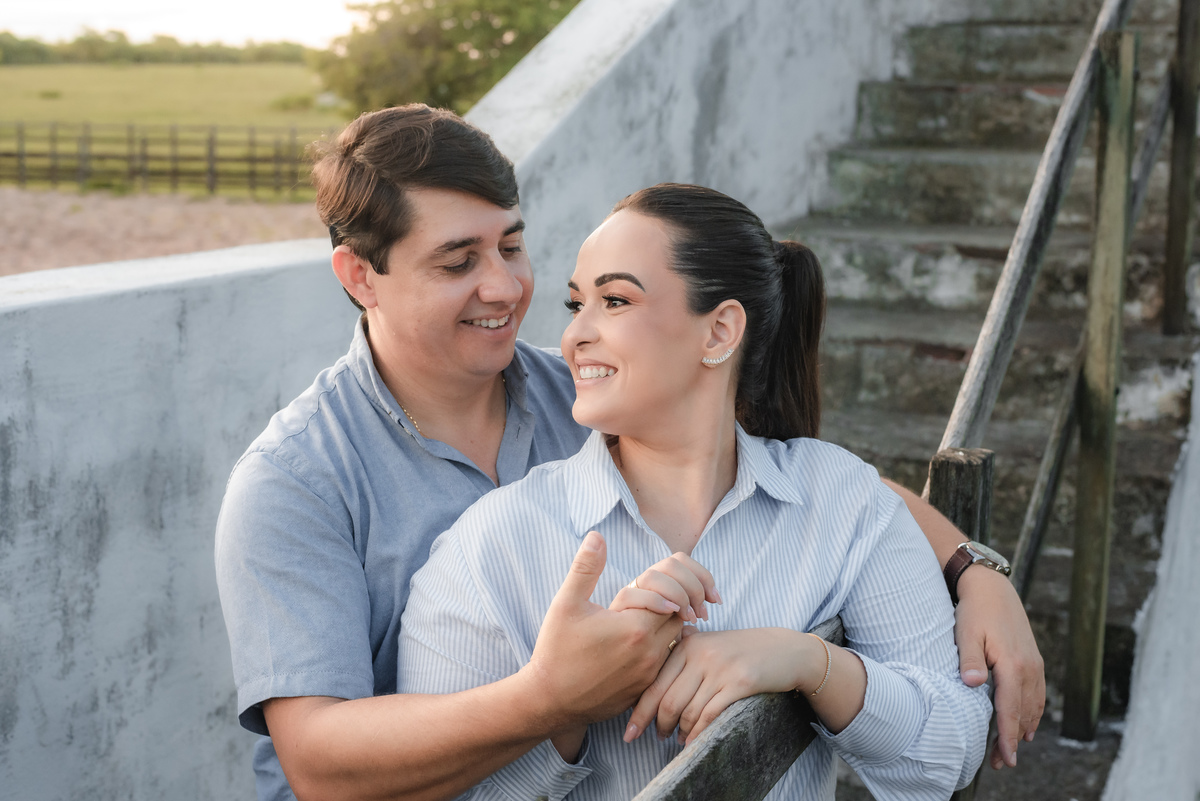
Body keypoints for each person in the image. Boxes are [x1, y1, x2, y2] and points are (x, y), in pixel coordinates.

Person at [214, 105, 1042, 801]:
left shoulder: (593, 392)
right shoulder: (295, 480)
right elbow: (316, 762)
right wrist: (552, 697)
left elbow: (811, 481)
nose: (505, 287)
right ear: (360, 276)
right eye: (458, 261)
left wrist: (974, 570)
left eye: (511, 246)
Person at [397, 183, 990, 800]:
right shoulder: (492, 544)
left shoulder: (843, 500)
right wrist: (564, 703)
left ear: (720, 332)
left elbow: (951, 752)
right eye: (576, 305)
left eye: (615, 300)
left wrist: (809, 663)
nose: (573, 337)